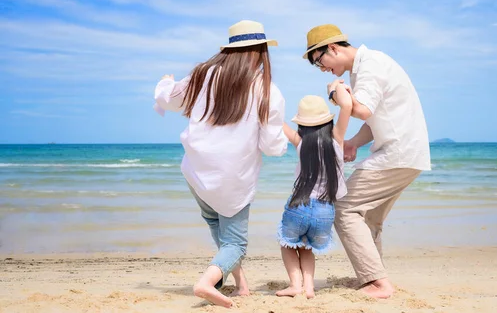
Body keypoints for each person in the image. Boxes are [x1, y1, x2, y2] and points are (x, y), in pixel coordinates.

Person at [154, 20, 288, 308]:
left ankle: (241, 285)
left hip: (197, 173)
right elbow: (272, 147)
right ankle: (205, 282)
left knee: (217, 225)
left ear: (229, 50)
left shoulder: (204, 75)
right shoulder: (267, 90)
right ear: (261, 51)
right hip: (233, 179)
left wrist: (165, 82)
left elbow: (169, 98)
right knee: (235, 243)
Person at [303, 24, 431, 298]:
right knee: (369, 217)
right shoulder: (369, 65)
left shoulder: (370, 66)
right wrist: (352, 143)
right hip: (406, 153)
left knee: (345, 208)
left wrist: (337, 94)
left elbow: (362, 110)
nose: (322, 68)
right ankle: (374, 278)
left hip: (397, 153)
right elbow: (376, 119)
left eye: (319, 61)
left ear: (333, 48)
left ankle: (378, 282)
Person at [276, 87, 352, 299]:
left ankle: (295, 285)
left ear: (301, 124)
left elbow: (276, 122)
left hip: (298, 206)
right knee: (307, 247)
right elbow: (347, 105)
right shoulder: (336, 139)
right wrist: (336, 89)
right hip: (325, 210)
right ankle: (308, 288)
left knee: (287, 244)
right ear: (328, 121)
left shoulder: (299, 141)